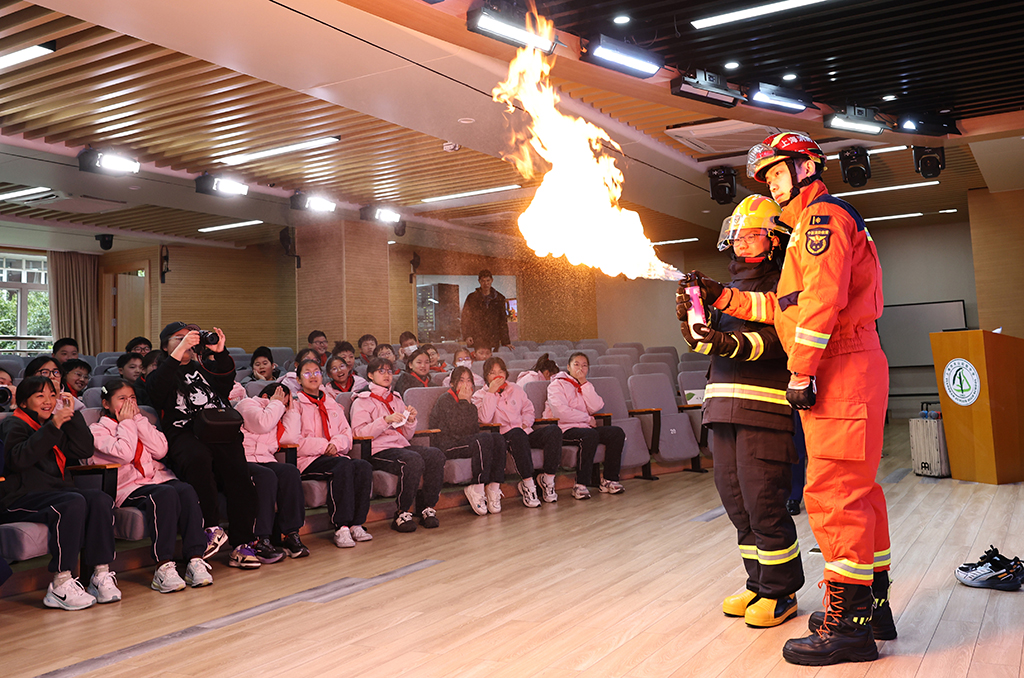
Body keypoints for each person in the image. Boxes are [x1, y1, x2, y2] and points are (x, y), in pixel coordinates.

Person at [682, 131, 892, 665]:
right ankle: (872, 610)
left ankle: (848, 629)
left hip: (838, 365)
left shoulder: (821, 221)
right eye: (768, 177)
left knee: (834, 494)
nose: (773, 185)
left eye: (778, 173)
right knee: (860, 494)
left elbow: (819, 306)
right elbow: (784, 307)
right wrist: (722, 297)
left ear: (805, 169)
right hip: (848, 363)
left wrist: (799, 374)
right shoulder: (805, 230)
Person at [679, 195, 804, 628]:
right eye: (738, 236)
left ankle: (781, 591)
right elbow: (709, 347)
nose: (741, 243)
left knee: (763, 501)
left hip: (763, 410)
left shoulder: (783, 285)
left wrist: (724, 341)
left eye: (752, 235)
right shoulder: (725, 294)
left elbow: (778, 344)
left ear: (773, 240)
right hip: (722, 409)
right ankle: (757, 583)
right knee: (737, 505)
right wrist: (695, 327)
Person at [146, 321, 265, 569]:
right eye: (178, 339)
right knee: (198, 459)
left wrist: (220, 352)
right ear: (165, 346)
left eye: (189, 338)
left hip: (217, 427)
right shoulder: (162, 372)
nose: (186, 342)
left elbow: (225, 381)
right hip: (184, 432)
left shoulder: (204, 368)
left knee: (239, 473)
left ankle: (243, 544)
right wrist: (179, 352)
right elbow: (156, 390)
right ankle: (211, 528)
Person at [0, 377, 120, 610]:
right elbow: (18, 459)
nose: (48, 401)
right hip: (17, 497)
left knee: (100, 499)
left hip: (53, 493)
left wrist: (71, 416)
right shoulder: (14, 424)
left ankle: (100, 573)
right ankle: (60, 582)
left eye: (52, 395)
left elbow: (83, 449)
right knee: (72, 501)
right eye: (40, 396)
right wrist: (53, 426)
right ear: (23, 403)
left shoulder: (53, 424)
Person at [89, 379, 214, 591]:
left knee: (185, 490)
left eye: (132, 399)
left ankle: (195, 559)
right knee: (164, 494)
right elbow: (125, 454)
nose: (129, 404)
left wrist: (137, 420)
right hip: (127, 486)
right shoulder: (97, 430)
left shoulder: (140, 420)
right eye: (122, 399)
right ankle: (163, 566)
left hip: (155, 479)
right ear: (106, 404)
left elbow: (160, 450)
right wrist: (127, 423)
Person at [350, 357, 445, 533]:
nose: (386, 375)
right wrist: (384, 420)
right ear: (370, 375)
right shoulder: (362, 400)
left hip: (400, 446)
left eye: (389, 371)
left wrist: (411, 420)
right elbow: (359, 433)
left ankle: (427, 507)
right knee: (412, 459)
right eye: (381, 371)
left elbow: (406, 435)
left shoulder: (395, 398)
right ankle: (402, 513)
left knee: (435, 454)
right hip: (378, 449)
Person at [285, 359, 374, 548]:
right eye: (307, 373)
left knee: (363, 466)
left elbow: (346, 433)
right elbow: (293, 441)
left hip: (334, 455)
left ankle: (356, 524)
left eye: (316, 372)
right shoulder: (295, 405)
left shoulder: (331, 402)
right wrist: (324, 446)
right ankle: (341, 527)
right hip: (308, 460)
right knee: (342, 466)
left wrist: (336, 443)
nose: (313, 376)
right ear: (299, 380)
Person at [473, 356, 562, 506]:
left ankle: (547, 480)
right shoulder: (479, 395)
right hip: (503, 436)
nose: (498, 375)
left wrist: (525, 424)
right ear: (486, 376)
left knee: (554, 431)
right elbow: (485, 419)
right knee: (517, 435)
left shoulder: (515, 388)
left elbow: (528, 410)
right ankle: (528, 484)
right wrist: (491, 393)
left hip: (523, 431)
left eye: (501, 371)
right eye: (492, 373)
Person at [236, 383, 309, 559]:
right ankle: (261, 540)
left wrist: (291, 411)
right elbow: (262, 424)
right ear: (269, 397)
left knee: (290, 472)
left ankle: (291, 534)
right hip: (243, 460)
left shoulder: (277, 412)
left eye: (286, 404)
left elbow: (290, 438)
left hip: (266, 459)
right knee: (266, 477)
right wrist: (276, 403)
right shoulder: (246, 404)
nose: (284, 407)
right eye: (285, 402)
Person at [544, 352, 624, 500]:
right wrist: (587, 418)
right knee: (590, 435)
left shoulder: (584, 385)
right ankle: (580, 484)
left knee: (616, 433)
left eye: (584, 365)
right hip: (563, 429)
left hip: (584, 428)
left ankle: (609, 480)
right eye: (576, 364)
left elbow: (597, 406)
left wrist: (584, 384)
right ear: (568, 367)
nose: (580, 368)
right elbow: (561, 413)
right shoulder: (557, 384)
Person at [429, 366, 506, 515]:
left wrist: (467, 404)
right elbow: (456, 429)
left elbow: (472, 430)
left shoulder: (468, 402)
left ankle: (493, 487)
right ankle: (477, 487)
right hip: (446, 445)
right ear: (452, 383)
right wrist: (464, 403)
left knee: (497, 438)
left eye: (469, 380)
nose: (465, 385)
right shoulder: (445, 399)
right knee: (483, 439)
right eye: (461, 380)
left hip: (464, 441)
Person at [461, 269, 511, 350]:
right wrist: (467, 335)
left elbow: (502, 321)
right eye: (483, 281)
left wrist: (506, 342)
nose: (486, 284)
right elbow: (465, 318)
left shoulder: (499, 298)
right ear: (479, 281)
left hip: (493, 337)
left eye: (488, 280)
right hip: (476, 337)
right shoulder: (472, 298)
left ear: (492, 280)